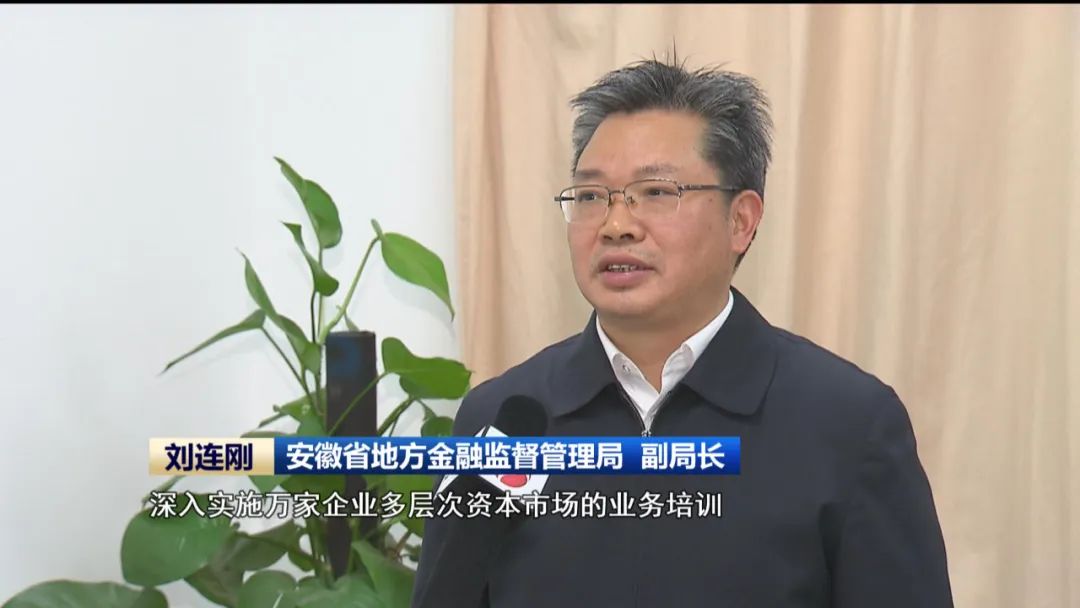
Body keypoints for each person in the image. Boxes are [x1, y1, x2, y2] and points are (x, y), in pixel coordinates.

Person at [412, 57, 953, 607]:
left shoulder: (849, 425)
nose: (616, 225)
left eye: (655, 192)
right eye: (591, 196)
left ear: (741, 221)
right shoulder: (502, 423)